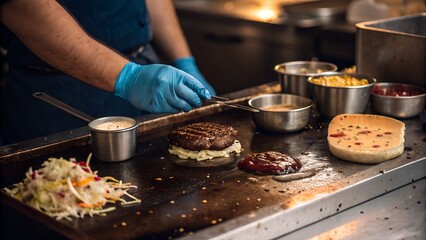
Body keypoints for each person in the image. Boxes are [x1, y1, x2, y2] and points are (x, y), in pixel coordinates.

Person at [0, 0, 216, 145]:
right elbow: (21, 6)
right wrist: (128, 78)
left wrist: (184, 60)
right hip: (55, 93)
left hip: (146, 73)